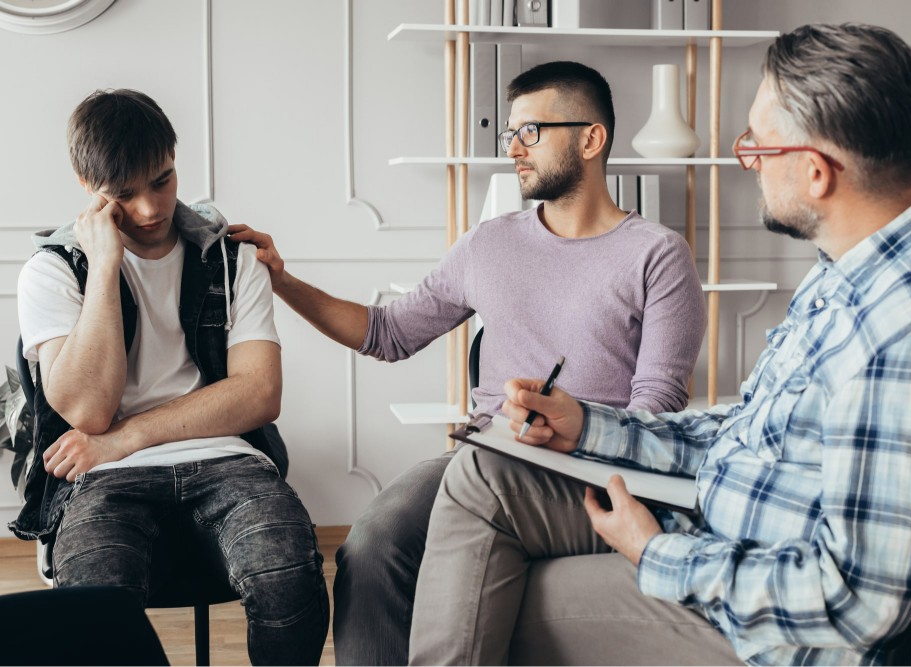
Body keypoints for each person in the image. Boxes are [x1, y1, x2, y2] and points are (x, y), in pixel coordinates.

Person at [409, 23, 911, 666]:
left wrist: (656, 553)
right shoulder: (854, 268)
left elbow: (856, 601)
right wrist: (589, 426)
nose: (746, 160)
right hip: (722, 533)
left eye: (758, 146)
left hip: (768, 640)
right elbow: (749, 429)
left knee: (488, 603)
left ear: (815, 172)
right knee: (481, 479)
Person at [230, 60, 707, 664]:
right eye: (510, 134)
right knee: (371, 542)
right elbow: (388, 333)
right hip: (486, 459)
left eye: (531, 132)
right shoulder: (490, 243)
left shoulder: (658, 256)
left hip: (595, 474)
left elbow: (657, 409)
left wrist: (575, 424)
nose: (514, 149)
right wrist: (282, 280)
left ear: (591, 138)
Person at [11, 89, 329, 665]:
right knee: (94, 599)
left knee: (288, 572)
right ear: (88, 188)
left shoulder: (231, 257)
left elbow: (259, 393)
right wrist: (106, 265)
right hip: (100, 478)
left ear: (176, 157)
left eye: (162, 180)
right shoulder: (53, 271)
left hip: (225, 459)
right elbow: (88, 411)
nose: (151, 209)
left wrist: (127, 437)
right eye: (124, 194)